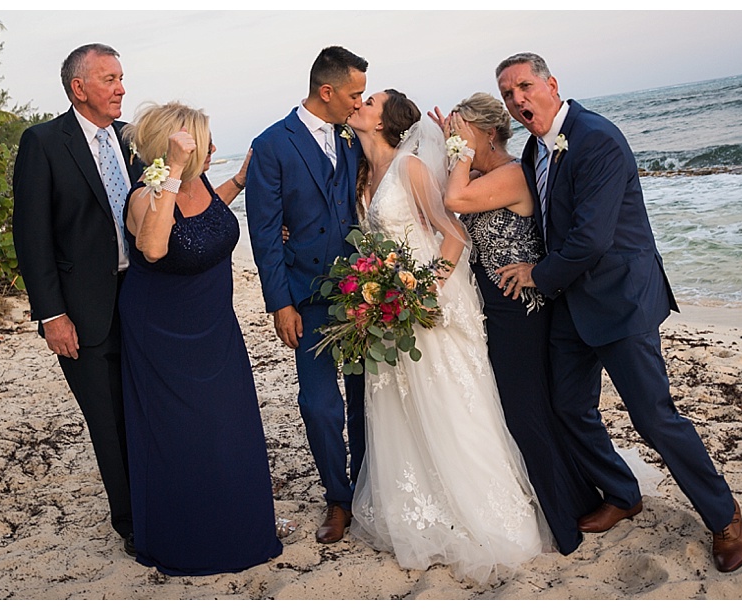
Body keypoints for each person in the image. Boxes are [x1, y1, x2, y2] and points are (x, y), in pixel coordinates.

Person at [492, 52, 742, 572]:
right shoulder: (532, 151)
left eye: (524, 86)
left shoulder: (597, 138)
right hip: (572, 304)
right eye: (507, 94)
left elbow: (591, 238)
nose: (518, 100)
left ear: (551, 85)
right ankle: (622, 492)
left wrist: (536, 274)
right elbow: (546, 221)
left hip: (621, 299)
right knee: (569, 406)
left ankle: (724, 517)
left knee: (654, 418)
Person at [343, 89, 545, 583]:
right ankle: (421, 511)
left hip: (428, 301)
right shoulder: (362, 174)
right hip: (392, 306)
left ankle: (486, 514)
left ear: (386, 120)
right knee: (401, 404)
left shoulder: (410, 168)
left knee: (449, 400)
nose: (361, 104)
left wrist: (422, 292)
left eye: (370, 101)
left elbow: (455, 234)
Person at [434, 93, 601, 556]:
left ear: (489, 133)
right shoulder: (490, 174)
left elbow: (454, 198)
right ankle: (573, 499)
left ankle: (565, 519)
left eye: (464, 132)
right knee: (525, 409)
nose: (456, 141)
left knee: (525, 412)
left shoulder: (509, 175)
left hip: (519, 309)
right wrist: (453, 146)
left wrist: (458, 155)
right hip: (497, 305)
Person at [118, 102, 278, 575]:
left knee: (229, 425)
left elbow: (205, 219)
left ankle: (238, 525)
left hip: (215, 324)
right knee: (181, 434)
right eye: (201, 144)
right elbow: (155, 245)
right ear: (176, 150)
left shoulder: (200, 184)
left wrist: (242, 180)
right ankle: (185, 540)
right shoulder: (146, 196)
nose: (211, 150)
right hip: (163, 333)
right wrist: (169, 174)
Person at [9, 42, 140, 556]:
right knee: (107, 420)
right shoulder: (43, 142)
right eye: (109, 78)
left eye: (122, 77)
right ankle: (130, 522)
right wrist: (51, 314)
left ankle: (158, 498)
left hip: (144, 301)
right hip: (82, 312)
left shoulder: (132, 140)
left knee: (146, 407)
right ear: (78, 87)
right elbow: (31, 235)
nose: (121, 87)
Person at [244, 45, 369, 544]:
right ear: (327, 91)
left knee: (365, 401)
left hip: (365, 293)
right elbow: (265, 232)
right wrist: (280, 303)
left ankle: (365, 488)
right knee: (320, 406)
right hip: (307, 296)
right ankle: (337, 497)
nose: (359, 104)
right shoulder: (272, 145)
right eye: (354, 94)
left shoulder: (353, 135)